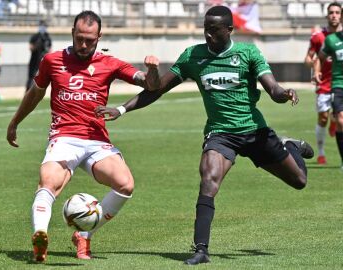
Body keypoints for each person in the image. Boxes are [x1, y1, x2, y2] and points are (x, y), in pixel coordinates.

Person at [95, 5, 314, 265]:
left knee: (299, 181)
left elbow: (273, 88)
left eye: (214, 30)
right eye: (205, 30)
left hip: (254, 131)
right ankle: (201, 249)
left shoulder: (248, 53)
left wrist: (284, 93)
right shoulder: (193, 56)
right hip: (220, 134)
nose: (208, 35)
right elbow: (157, 89)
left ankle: (289, 145)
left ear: (229, 30)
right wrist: (122, 108)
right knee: (208, 179)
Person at [6, 10, 160, 263]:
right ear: (72, 34)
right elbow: (35, 93)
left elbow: (150, 85)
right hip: (64, 137)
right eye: (80, 39)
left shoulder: (110, 64)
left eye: (90, 39)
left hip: (97, 141)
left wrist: (153, 69)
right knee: (49, 182)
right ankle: (40, 235)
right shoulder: (52, 61)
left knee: (125, 184)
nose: (84, 44)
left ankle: (84, 234)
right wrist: (15, 122)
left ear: (99, 37)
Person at [307, 2, 341, 165]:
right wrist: (314, 66)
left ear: (341, 16)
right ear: (327, 16)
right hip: (324, 83)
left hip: (339, 83)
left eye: (337, 12)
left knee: (339, 116)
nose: (334, 15)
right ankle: (321, 153)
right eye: (331, 13)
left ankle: (335, 122)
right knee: (322, 118)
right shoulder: (318, 37)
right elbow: (309, 58)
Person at [319, 12, 343, 171]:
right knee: (340, 121)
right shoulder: (331, 40)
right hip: (338, 84)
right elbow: (319, 57)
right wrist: (317, 71)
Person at [26, 20, 52, 92]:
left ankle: (38, 93)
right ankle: (27, 92)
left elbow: (50, 49)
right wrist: (36, 46)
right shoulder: (35, 36)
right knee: (31, 77)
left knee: (42, 78)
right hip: (34, 60)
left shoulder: (47, 37)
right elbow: (30, 48)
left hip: (43, 60)